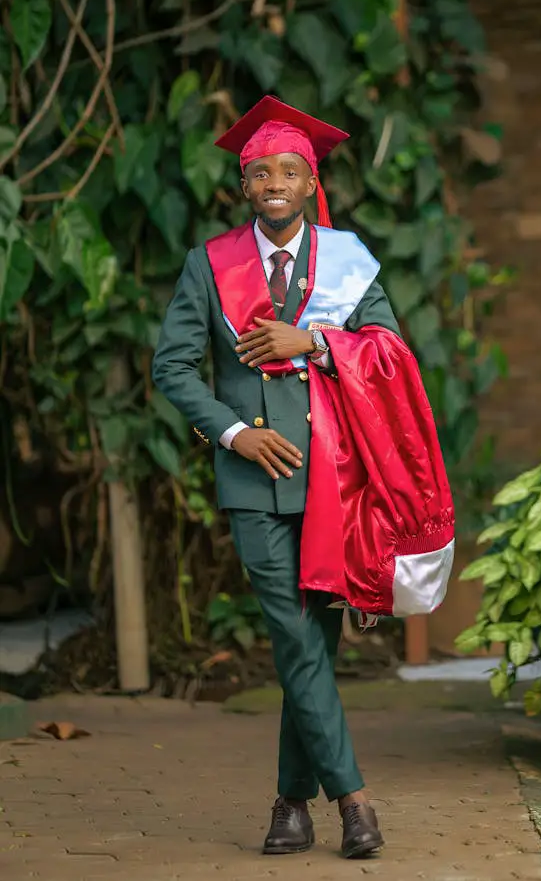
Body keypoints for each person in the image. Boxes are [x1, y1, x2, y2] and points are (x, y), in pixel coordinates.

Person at [152, 96, 454, 859]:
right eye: (261, 173)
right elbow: (173, 365)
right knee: (293, 633)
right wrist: (234, 431)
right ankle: (353, 800)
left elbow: (387, 348)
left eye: (290, 170)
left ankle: (290, 805)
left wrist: (314, 338)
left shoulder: (348, 261)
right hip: (254, 483)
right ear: (245, 186)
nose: (275, 183)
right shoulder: (209, 264)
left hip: (336, 482)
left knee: (308, 647)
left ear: (310, 182)